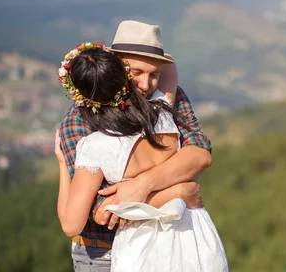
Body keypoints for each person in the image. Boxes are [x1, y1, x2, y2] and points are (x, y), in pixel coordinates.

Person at [55, 42, 228, 271]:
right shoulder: (162, 110)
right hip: (187, 239)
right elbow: (171, 69)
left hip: (131, 250)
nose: (145, 84)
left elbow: (72, 224)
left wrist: (61, 163)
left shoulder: (93, 147)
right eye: (137, 73)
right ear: (122, 77)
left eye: (152, 74)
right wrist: (180, 191)